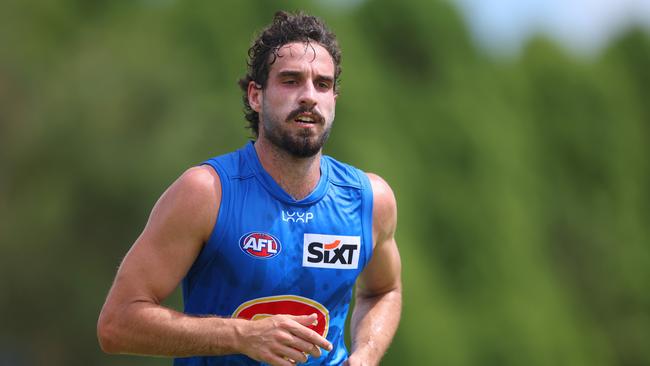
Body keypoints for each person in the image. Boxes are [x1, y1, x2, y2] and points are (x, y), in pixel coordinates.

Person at [97, 10, 401, 366]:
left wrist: (366, 354)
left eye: (321, 84)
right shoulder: (206, 192)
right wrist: (241, 336)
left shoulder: (369, 200)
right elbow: (117, 323)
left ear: (334, 98)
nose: (308, 96)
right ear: (256, 96)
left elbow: (385, 290)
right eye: (290, 80)